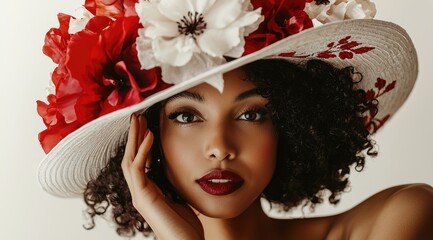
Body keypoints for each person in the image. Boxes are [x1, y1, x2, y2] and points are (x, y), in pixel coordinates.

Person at [36, 0, 433, 239]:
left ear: (294, 124)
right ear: (144, 136)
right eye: (187, 116)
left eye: (252, 113)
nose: (220, 148)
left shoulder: (397, 219)